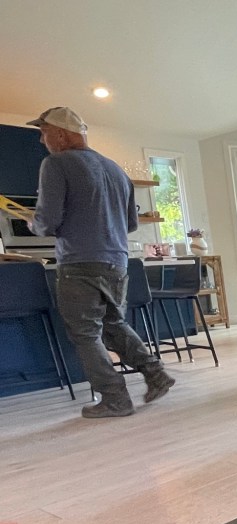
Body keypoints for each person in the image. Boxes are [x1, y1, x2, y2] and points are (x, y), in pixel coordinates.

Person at [27, 106, 174, 418]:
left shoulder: (56, 164)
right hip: (117, 261)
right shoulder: (115, 169)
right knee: (113, 324)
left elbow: (48, 221)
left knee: (85, 333)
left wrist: (33, 223)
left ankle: (115, 398)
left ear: (61, 134)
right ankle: (156, 373)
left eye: (44, 132)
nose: (42, 140)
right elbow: (131, 224)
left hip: (79, 262)